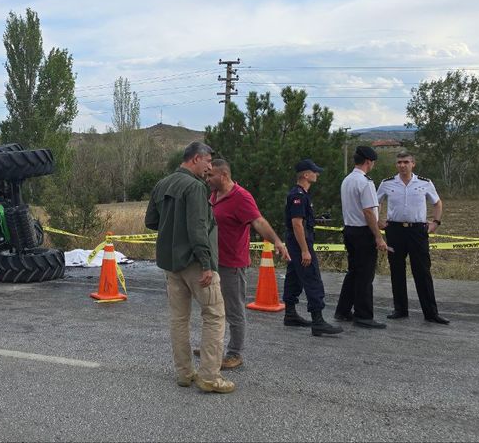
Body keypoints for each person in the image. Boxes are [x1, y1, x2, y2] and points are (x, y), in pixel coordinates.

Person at [145, 141, 234, 394]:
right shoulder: (195, 187)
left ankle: (184, 373)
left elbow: (151, 221)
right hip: (196, 264)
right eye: (207, 162)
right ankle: (209, 376)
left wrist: (173, 229)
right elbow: (197, 228)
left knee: (179, 319)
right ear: (195, 159)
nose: (210, 167)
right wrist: (207, 263)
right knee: (214, 315)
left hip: (171, 265)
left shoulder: (162, 184)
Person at [205, 159, 291, 368]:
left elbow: (258, 221)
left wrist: (277, 242)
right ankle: (214, 347)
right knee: (214, 307)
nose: (207, 179)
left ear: (224, 175)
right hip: (213, 261)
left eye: (211, 175)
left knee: (234, 310)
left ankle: (235, 353)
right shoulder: (215, 195)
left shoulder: (241, 197)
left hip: (232, 264)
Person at [376, 151, 449, 324]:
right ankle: (400, 309)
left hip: (417, 231)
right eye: (399, 162)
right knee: (397, 271)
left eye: (406, 162)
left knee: (422, 271)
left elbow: (437, 203)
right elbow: (376, 201)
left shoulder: (425, 183)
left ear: (413, 164)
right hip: (395, 230)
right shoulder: (387, 183)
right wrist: (378, 220)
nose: (402, 165)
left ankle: (431, 313)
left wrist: (436, 222)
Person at [282, 159, 344, 336]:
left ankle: (290, 313)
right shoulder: (299, 196)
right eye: (314, 172)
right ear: (305, 175)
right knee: (312, 277)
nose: (317, 174)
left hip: (296, 240)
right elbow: (297, 224)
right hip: (300, 241)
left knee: (294, 275)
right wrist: (304, 250)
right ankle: (318, 320)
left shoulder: (300, 194)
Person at [336, 146, 388, 328]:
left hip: (350, 229)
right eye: (372, 162)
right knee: (365, 275)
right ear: (368, 162)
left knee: (353, 272)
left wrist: (377, 222)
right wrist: (378, 236)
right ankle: (363, 316)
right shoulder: (366, 182)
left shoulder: (347, 180)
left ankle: (342, 310)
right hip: (363, 232)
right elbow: (367, 211)